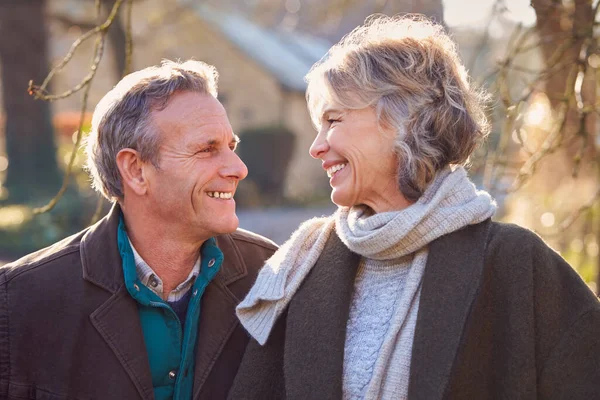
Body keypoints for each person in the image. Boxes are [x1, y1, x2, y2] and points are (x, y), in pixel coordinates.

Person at [228, 15, 600, 400]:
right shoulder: (306, 262)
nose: (316, 146)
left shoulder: (516, 263)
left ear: (405, 119)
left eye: (333, 120)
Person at [0, 60, 277, 400]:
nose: (239, 168)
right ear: (135, 170)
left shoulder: (275, 279)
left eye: (230, 147)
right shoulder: (18, 301)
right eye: (207, 149)